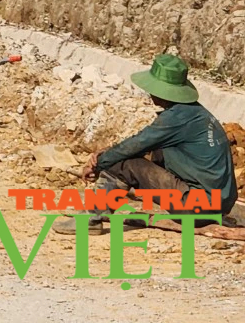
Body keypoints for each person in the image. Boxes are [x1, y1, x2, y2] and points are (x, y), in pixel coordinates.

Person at [54, 54, 237, 235]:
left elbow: (135, 145)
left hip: (198, 208)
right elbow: (146, 145)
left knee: (123, 165)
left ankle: (90, 219)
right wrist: (109, 152)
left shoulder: (176, 118)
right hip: (218, 206)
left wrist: (100, 163)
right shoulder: (194, 113)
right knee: (151, 154)